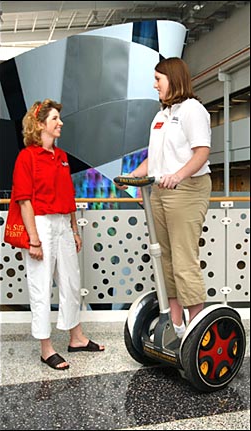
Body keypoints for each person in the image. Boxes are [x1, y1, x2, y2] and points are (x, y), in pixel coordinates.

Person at [115, 57, 212, 338]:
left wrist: (179, 175)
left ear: (174, 79)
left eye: (159, 79)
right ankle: (174, 322)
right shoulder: (161, 115)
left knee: (183, 257)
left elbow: (202, 152)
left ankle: (196, 328)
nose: (154, 84)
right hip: (159, 190)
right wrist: (133, 175)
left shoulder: (193, 110)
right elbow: (154, 159)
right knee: (164, 257)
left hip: (187, 190)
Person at [12, 99, 105, 370]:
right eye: (55, 119)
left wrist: (74, 229)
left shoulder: (62, 157)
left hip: (64, 223)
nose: (60, 123)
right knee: (41, 287)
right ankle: (46, 348)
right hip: (40, 224)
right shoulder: (27, 156)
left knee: (71, 282)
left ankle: (76, 337)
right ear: (40, 125)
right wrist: (33, 239)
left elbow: (69, 196)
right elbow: (24, 200)